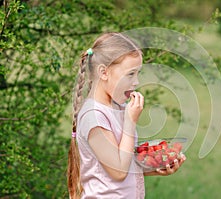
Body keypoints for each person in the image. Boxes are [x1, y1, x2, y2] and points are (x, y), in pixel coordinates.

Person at [67, 32, 186, 199]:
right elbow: (117, 171)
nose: (136, 81)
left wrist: (156, 167)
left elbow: (124, 161)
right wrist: (130, 122)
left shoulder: (118, 108)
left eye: (138, 73)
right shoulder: (93, 117)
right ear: (104, 72)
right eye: (130, 74)